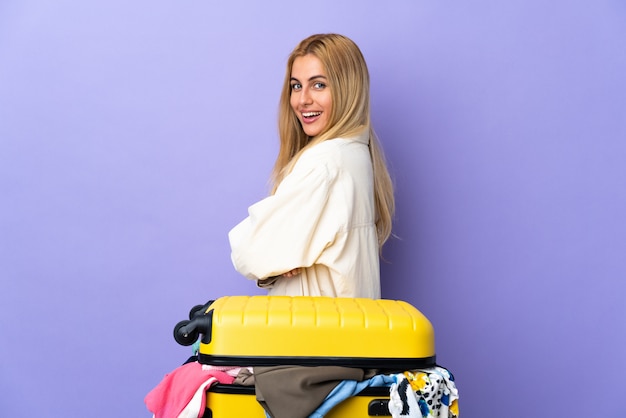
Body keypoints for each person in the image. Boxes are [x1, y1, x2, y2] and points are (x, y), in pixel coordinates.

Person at [228, 33, 394, 299]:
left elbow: (250, 251)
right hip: (340, 334)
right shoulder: (357, 156)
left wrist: (274, 260)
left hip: (310, 337)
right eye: (296, 86)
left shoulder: (325, 163)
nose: (302, 100)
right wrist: (276, 263)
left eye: (318, 85)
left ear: (347, 89)